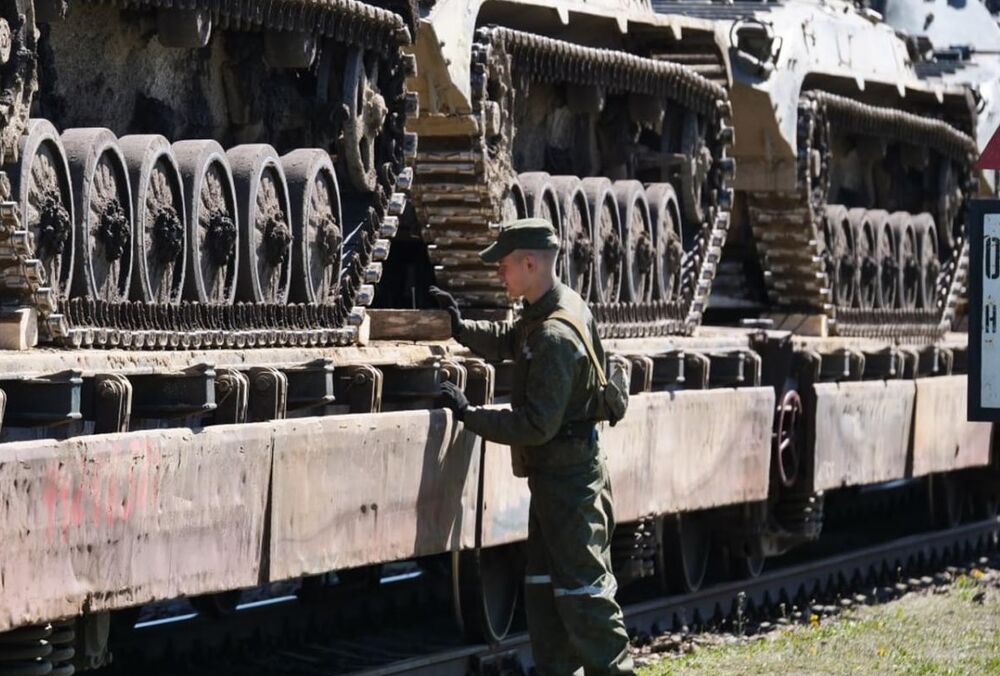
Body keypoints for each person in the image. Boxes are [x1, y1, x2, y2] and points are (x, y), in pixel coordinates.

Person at [429, 218, 634, 676]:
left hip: (570, 486)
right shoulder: (552, 309)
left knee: (585, 597)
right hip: (554, 481)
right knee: (544, 592)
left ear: (529, 263)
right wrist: (463, 329)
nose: (499, 273)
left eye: (503, 265)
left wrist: (468, 415)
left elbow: (535, 425)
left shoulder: (555, 337)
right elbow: (512, 341)